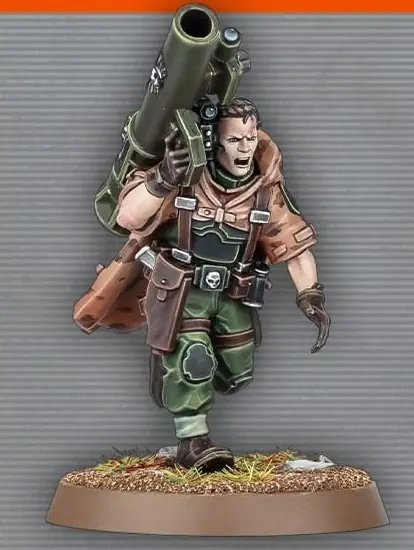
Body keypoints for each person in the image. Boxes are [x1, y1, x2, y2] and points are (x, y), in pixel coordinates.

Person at [78, 96, 331, 472]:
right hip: (181, 290)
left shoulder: (266, 188)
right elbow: (127, 216)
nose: (244, 147)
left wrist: (310, 295)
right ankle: (192, 440)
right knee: (195, 359)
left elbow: (294, 246)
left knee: (236, 373)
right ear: (214, 140)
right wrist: (163, 179)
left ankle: (171, 368)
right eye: (234, 139)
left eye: (250, 138)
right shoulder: (184, 175)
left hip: (232, 294)